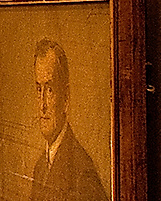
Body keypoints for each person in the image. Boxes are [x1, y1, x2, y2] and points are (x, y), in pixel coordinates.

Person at [28, 39, 107, 201]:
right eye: (38, 89)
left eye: (49, 90)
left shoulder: (83, 175)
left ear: (65, 98)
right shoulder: (40, 167)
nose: (42, 104)